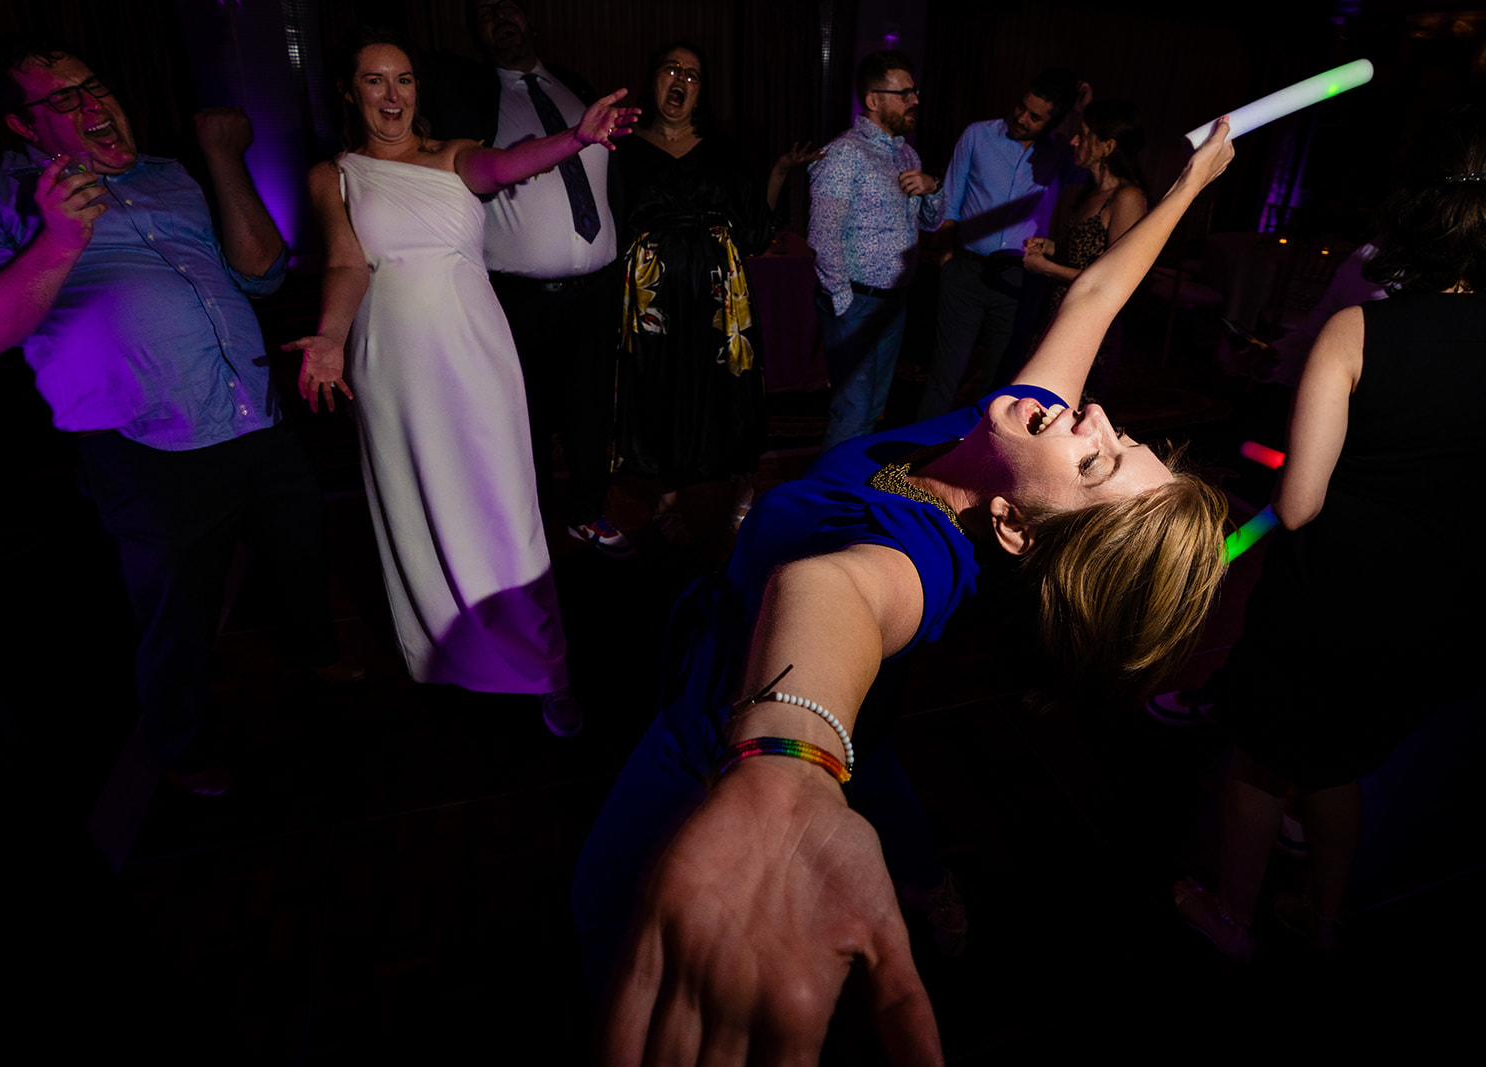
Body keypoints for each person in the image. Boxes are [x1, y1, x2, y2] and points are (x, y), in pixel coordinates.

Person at [577, 121, 1238, 1064]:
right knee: (878, 761)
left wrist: (781, 773)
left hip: (721, 725)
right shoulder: (1014, 428)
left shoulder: (921, 559)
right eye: (1117, 433)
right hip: (828, 687)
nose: (1088, 413)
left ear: (1014, 528)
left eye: (1093, 460)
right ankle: (927, 879)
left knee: (604, 905)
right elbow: (1094, 294)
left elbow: (833, 589)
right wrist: (1191, 183)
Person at [0, 35, 360, 795]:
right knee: (177, 613)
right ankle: (180, 743)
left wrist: (223, 159)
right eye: (64, 101)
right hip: (147, 443)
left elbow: (260, 277)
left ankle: (315, 649)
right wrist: (60, 240)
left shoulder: (170, 175)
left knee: (300, 550)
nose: (94, 106)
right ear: (24, 127)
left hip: (253, 411)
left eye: (95, 86)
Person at [1173, 113, 1486, 962]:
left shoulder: (1359, 331)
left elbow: (1300, 504)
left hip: (1329, 595)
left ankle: (1229, 918)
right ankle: (1322, 918)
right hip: (1431, 599)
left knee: (1261, 759)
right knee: (1338, 761)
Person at [284, 29, 637, 737]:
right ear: (351, 93)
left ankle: (548, 668)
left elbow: (506, 167)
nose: (394, 95)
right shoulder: (336, 175)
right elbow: (347, 265)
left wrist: (576, 138)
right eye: (376, 81)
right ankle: (454, 654)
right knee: (422, 507)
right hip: (393, 362)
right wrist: (329, 336)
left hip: (474, 350)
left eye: (405, 79)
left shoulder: (449, 156)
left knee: (507, 505)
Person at [425, 0, 633, 557]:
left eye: (508, 6)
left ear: (532, 19)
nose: (498, 17)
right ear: (474, 31)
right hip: (520, 294)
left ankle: (587, 512)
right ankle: (531, 524)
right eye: (485, 11)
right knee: (525, 415)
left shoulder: (572, 86)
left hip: (597, 286)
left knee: (592, 408)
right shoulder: (470, 95)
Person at [615, 42, 819, 542]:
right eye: (671, 68)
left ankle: (741, 486)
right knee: (659, 382)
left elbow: (752, 229)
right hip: (653, 293)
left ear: (700, 92)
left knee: (726, 383)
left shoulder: (721, 148)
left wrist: (776, 174)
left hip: (718, 290)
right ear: (654, 79)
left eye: (693, 74)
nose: (681, 78)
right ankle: (665, 490)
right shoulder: (622, 149)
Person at [919, 69, 1086, 420]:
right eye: (1021, 107)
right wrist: (947, 259)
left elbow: (1094, 163)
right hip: (965, 272)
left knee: (1000, 384)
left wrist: (1083, 111)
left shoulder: (1059, 153)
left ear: (1053, 122)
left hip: (1019, 279)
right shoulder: (978, 135)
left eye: (1035, 117)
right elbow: (950, 201)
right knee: (944, 376)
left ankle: (976, 464)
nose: (1021, 118)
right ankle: (913, 462)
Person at [810, 50, 947, 452]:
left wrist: (933, 186)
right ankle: (825, 504)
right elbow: (822, 233)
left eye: (914, 91)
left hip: (894, 303)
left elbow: (931, 223)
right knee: (851, 412)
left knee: (873, 410)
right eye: (904, 93)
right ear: (873, 100)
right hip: (855, 302)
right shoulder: (844, 154)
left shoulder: (907, 154)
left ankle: (850, 492)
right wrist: (842, 300)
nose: (915, 100)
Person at [1021, 99, 1149, 395]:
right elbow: (1091, 256)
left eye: (1084, 134)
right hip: (1059, 313)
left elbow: (1115, 280)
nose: (1075, 140)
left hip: (1088, 328)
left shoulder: (1126, 197)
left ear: (1107, 147)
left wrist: (1045, 268)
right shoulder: (1092, 193)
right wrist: (1052, 247)